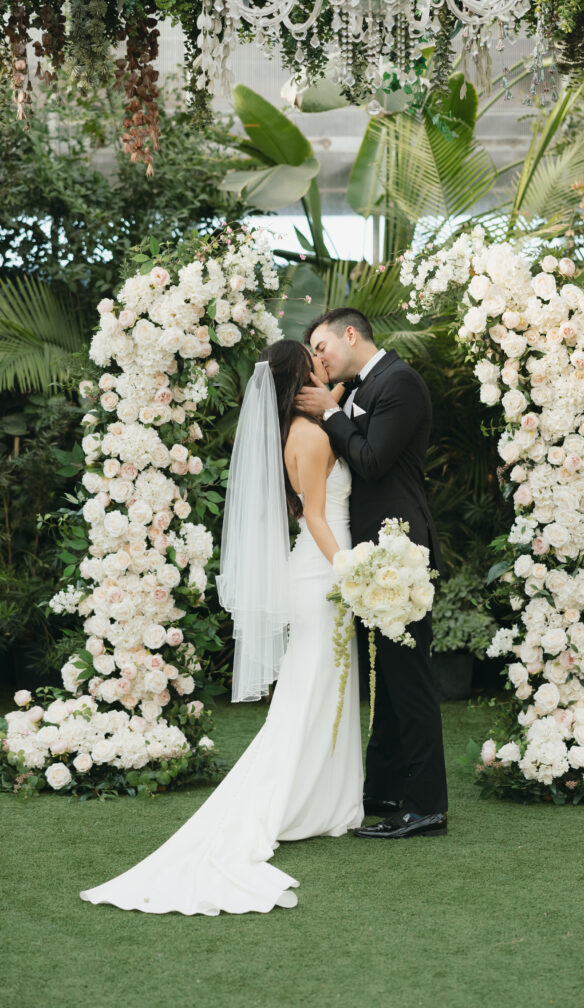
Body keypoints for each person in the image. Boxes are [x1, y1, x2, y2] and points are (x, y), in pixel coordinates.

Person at [80, 340, 363, 915]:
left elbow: (331, 404)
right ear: (300, 377)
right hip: (322, 573)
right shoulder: (307, 437)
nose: (323, 364)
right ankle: (294, 803)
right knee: (310, 693)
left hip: (319, 573)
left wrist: (344, 390)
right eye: (315, 361)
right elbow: (313, 514)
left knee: (323, 691)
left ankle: (322, 801)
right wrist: (350, 569)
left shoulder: (301, 424)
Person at [295, 307, 448, 840]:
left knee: (410, 680)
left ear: (350, 335)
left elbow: (374, 459)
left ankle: (426, 806)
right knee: (384, 679)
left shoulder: (399, 381)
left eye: (321, 347)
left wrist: (331, 415)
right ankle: (383, 788)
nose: (319, 360)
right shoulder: (360, 388)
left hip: (398, 546)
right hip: (371, 552)